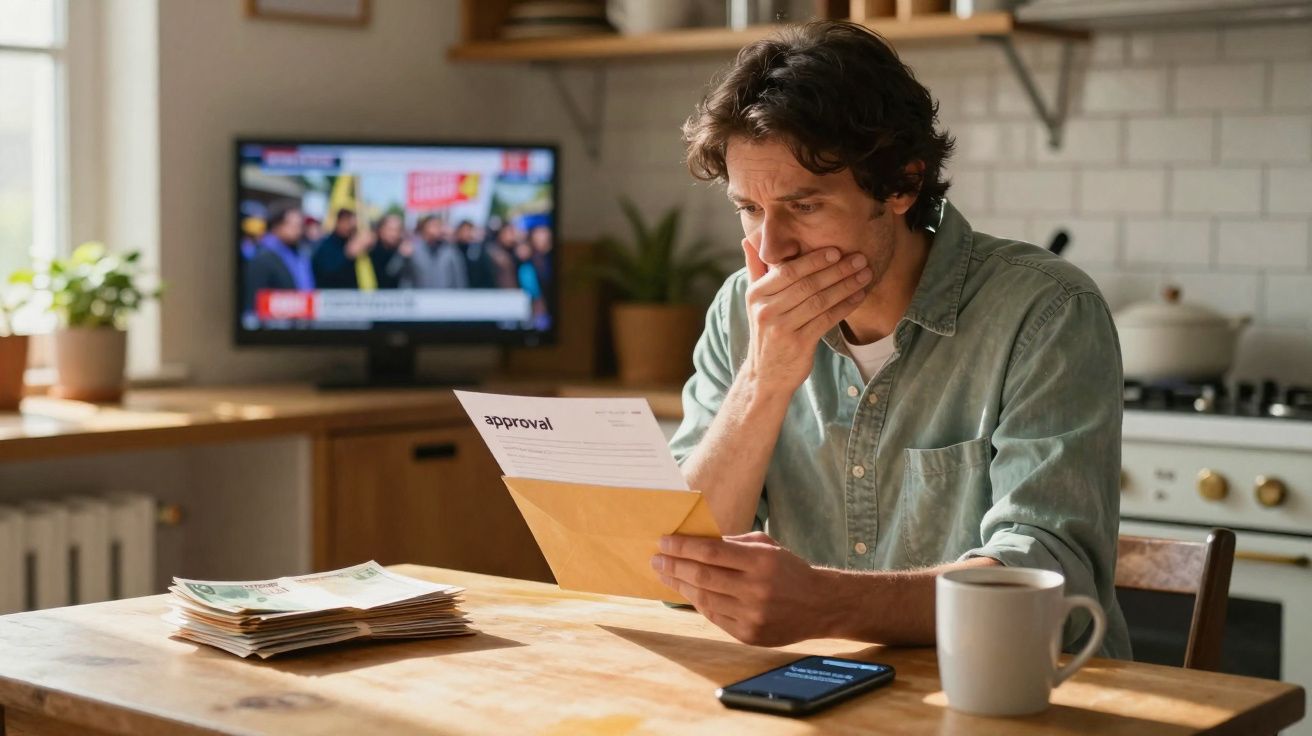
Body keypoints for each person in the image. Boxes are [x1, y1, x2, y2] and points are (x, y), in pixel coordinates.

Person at [654, 21, 1131, 659]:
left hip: (1025, 699)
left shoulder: (1046, 311)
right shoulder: (740, 314)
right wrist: (762, 382)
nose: (772, 249)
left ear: (903, 185)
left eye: (805, 206)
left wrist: (829, 601)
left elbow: (1048, 581)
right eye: (749, 209)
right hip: (824, 694)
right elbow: (681, 572)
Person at [243, 201, 313, 314]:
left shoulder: (300, 254)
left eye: (300, 225)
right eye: (293, 225)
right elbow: (254, 303)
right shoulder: (262, 258)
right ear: (276, 226)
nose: (298, 230)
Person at [311, 209, 373, 289]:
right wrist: (348, 254)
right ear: (338, 222)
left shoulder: (355, 244)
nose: (350, 227)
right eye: (347, 222)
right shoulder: (326, 246)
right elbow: (327, 272)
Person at [403, 215, 468, 289]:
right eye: (433, 225)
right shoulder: (413, 251)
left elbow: (459, 278)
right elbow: (406, 278)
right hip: (421, 297)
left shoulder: (450, 251)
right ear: (424, 228)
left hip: (446, 298)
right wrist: (402, 256)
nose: (437, 229)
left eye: (439, 226)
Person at [368, 213, 411, 290]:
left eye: (398, 230)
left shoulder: (406, 249)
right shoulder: (371, 250)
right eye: (390, 229)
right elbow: (386, 277)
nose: (394, 234)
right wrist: (400, 257)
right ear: (380, 230)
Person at [456, 220, 497, 289]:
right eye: (464, 230)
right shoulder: (454, 250)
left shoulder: (478, 251)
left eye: (469, 230)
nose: (466, 233)